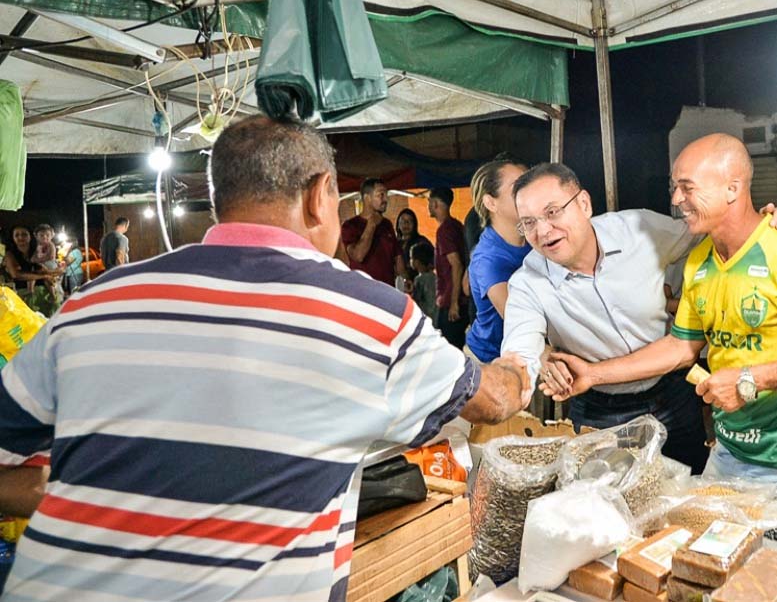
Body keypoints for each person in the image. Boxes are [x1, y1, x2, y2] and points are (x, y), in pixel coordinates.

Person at [0, 115, 531, 602]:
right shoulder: (370, 315)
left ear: (218, 199)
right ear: (322, 196)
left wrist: (94, 493)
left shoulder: (91, 304)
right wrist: (521, 368)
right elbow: (492, 401)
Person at [544, 135, 777, 499]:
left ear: (732, 188)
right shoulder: (700, 260)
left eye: (687, 188)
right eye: (675, 187)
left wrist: (750, 380)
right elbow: (681, 346)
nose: (675, 199)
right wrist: (592, 374)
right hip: (727, 455)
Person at [502, 162, 777, 473]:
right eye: (528, 222)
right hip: (599, 410)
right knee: (607, 504)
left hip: (671, 393)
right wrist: (513, 373)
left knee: (689, 488)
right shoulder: (526, 283)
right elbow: (518, 351)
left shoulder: (639, 230)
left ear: (584, 204)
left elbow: (710, 233)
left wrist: (766, 224)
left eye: (552, 212)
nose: (543, 230)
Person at [465, 158, 531, 364]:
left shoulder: (532, 236)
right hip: (490, 360)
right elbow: (517, 319)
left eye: (528, 183)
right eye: (517, 187)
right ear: (491, 203)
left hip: (523, 353)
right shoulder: (488, 259)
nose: (528, 191)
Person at [341, 178, 407, 287]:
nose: (385, 199)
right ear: (367, 198)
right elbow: (358, 255)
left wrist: (405, 279)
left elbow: (397, 256)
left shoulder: (387, 224)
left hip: (387, 291)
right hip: (363, 292)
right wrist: (371, 225)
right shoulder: (350, 226)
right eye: (381, 195)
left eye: (386, 194)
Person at [428, 186, 468, 349]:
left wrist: (453, 302)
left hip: (451, 299)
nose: (429, 206)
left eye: (429, 202)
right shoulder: (457, 225)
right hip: (460, 298)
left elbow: (456, 264)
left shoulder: (444, 230)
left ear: (436, 204)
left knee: (448, 349)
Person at [30, 224, 62, 304]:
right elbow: (34, 256)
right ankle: (30, 290)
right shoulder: (38, 246)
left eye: (47, 235)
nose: (45, 237)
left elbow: (50, 257)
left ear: (52, 236)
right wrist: (34, 259)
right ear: (36, 236)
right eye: (42, 235)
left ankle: (53, 295)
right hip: (41, 264)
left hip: (50, 264)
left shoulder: (51, 245)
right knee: (31, 274)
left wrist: (37, 260)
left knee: (47, 279)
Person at [395, 208, 430, 280]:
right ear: (398, 225)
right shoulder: (394, 243)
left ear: (414, 224)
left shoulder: (421, 242)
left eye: (409, 221)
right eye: (403, 221)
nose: (406, 223)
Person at [409, 241, 437, 321]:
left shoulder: (419, 280)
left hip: (425, 317)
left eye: (411, 258)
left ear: (416, 262)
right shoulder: (435, 277)